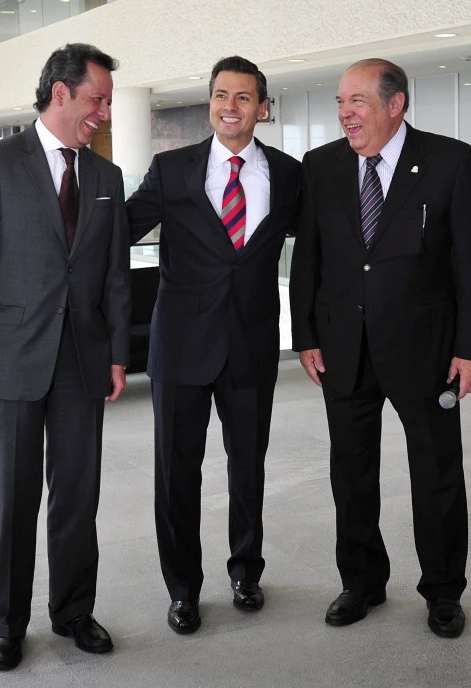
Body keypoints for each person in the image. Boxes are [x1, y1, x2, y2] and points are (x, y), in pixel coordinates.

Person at [0, 43, 131, 670]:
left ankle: (74, 611)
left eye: (106, 99)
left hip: (82, 362)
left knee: (78, 495)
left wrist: (116, 353)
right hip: (6, 362)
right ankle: (9, 624)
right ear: (60, 93)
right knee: (13, 500)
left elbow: (113, 277)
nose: (104, 110)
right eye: (97, 98)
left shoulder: (106, 177)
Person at [289, 58, 471, 638]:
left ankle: (444, 592)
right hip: (343, 348)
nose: (344, 114)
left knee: (436, 474)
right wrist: (305, 334)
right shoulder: (321, 165)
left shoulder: (452, 160)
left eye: (356, 101)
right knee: (350, 474)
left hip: (426, 351)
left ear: (395, 104)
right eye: (340, 103)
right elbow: (310, 258)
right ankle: (361, 582)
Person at [126, 56, 300, 634]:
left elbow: (326, 252)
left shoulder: (289, 173)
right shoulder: (171, 169)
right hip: (179, 348)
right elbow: (115, 234)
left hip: (252, 345)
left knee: (248, 467)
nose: (231, 106)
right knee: (177, 474)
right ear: (209, 103)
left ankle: (245, 571)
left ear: (262, 107)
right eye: (221, 95)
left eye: (244, 97)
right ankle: (183, 588)